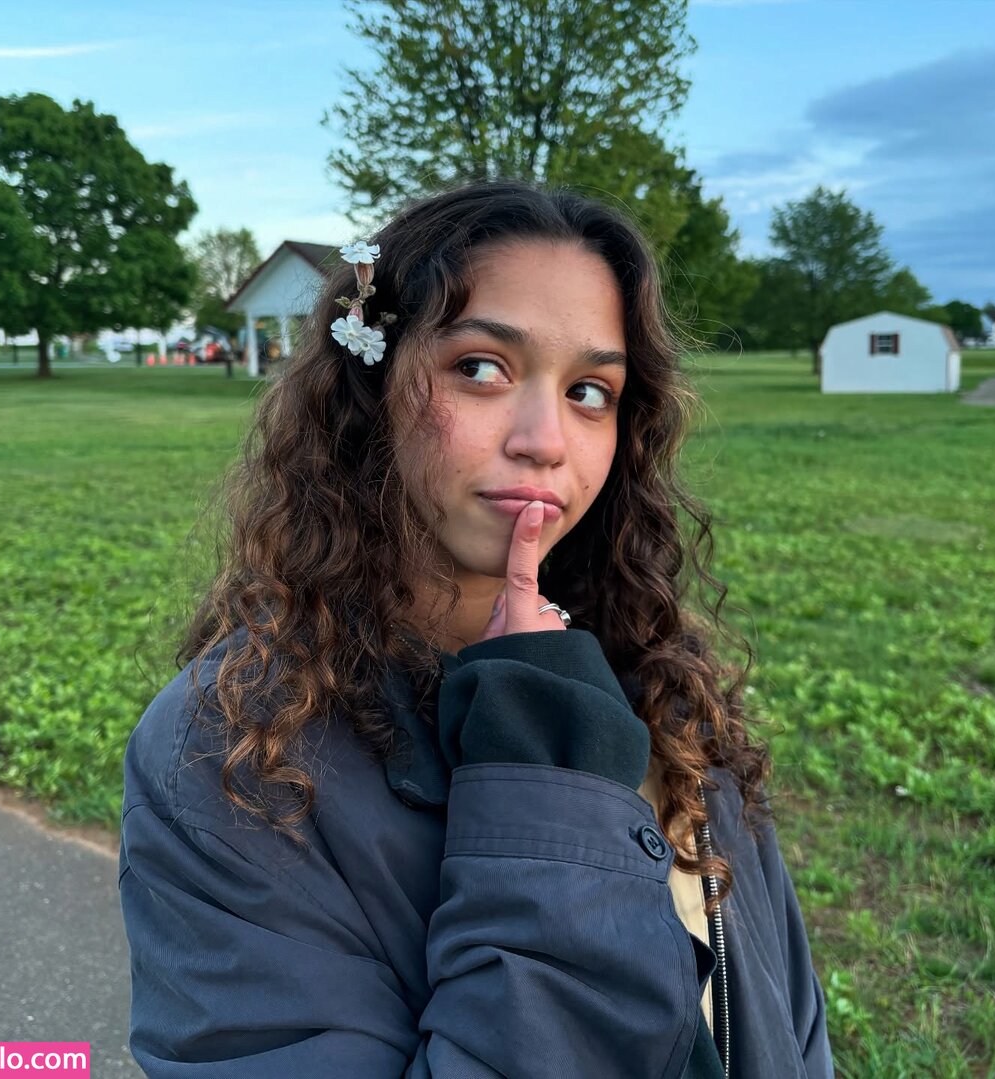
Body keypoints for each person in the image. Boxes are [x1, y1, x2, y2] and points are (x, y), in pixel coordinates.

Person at [118, 178, 834, 1077]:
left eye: (590, 390)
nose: (546, 439)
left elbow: (789, 1021)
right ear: (371, 386)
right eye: (482, 368)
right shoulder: (229, 754)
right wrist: (546, 770)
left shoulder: (657, 679)